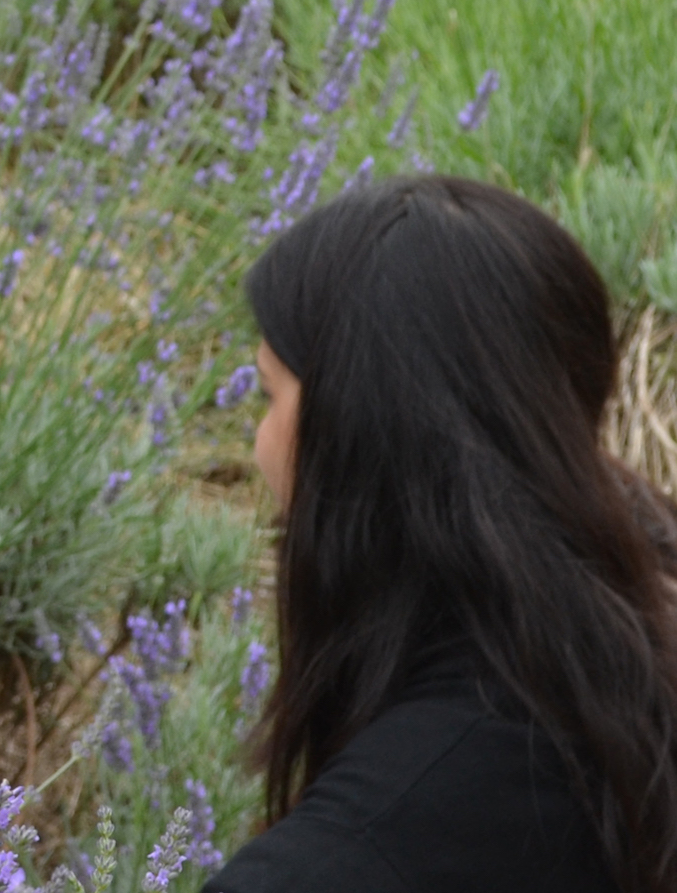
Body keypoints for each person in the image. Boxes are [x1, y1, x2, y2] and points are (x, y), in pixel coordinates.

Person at [205, 176, 677, 893]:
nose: (258, 438)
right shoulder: (625, 656)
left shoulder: (355, 852)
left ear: (353, 434)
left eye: (269, 392)